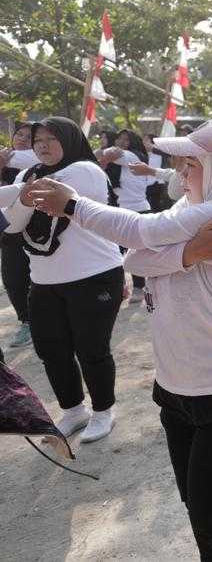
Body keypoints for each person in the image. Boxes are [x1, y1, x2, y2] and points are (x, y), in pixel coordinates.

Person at [27, 116, 212, 561]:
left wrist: (73, 205)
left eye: (191, 165)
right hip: (178, 389)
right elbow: (134, 260)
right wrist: (190, 253)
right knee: (200, 514)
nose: (182, 174)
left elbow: (140, 234)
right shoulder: (192, 210)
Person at [2, 117, 125, 443]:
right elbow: (13, 226)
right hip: (44, 281)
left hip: (94, 275)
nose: (41, 145)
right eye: (37, 139)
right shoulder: (27, 176)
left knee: (91, 349)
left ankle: (103, 411)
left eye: (50, 139)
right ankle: (73, 410)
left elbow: (40, 198)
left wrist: (22, 198)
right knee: (51, 349)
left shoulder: (85, 171)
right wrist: (24, 198)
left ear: (69, 140)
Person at [100, 129, 152, 303]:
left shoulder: (132, 156)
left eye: (126, 139)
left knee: (134, 252)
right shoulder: (117, 162)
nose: (122, 142)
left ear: (134, 142)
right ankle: (121, 287)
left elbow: (104, 154)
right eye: (119, 138)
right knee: (115, 252)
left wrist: (101, 154)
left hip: (137, 210)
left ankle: (138, 287)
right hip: (119, 210)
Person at [0, 122, 39, 348]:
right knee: (13, 279)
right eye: (19, 134)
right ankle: (26, 322)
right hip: (9, 232)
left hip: (34, 230)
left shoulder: (32, 161)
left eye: (29, 137)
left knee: (38, 279)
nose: (22, 139)